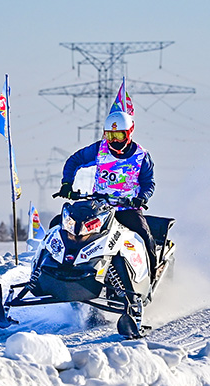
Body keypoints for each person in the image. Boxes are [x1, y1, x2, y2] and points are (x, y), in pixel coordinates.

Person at [53, 110, 158, 282]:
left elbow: (148, 183)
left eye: (118, 135)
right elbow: (74, 161)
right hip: (98, 208)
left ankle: (151, 278)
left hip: (127, 208)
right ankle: (53, 272)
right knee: (60, 225)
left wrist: (142, 197)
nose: (114, 141)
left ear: (129, 132)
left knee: (144, 235)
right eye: (110, 136)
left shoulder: (142, 156)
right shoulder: (99, 149)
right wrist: (66, 184)